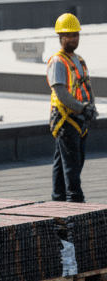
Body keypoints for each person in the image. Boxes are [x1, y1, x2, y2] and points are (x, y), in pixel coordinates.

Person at [47, 13, 96, 202]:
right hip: (66, 120)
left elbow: (86, 86)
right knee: (72, 164)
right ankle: (75, 199)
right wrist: (82, 108)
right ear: (61, 37)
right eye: (69, 35)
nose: (74, 39)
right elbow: (61, 94)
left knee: (63, 162)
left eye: (76, 35)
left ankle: (58, 198)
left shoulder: (79, 60)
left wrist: (91, 106)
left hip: (80, 119)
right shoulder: (58, 62)